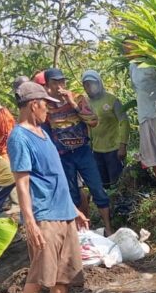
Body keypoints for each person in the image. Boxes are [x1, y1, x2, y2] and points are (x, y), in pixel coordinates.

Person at [7, 82, 89, 293]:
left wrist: (74, 209)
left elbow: (55, 176)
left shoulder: (44, 134)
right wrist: (30, 222)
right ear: (34, 105)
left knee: (64, 275)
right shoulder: (19, 137)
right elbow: (22, 183)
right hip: (45, 216)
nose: (49, 111)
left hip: (63, 212)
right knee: (40, 275)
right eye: (46, 106)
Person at [43, 67, 113, 235]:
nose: (60, 86)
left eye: (62, 81)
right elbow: (44, 131)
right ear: (47, 86)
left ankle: (109, 229)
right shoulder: (45, 106)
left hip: (83, 151)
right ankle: (77, 232)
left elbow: (93, 121)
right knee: (71, 193)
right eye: (55, 82)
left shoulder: (78, 99)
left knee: (97, 189)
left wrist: (73, 104)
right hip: (62, 156)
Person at [124, 36, 156, 191]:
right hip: (144, 115)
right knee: (151, 155)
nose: (125, 50)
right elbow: (136, 88)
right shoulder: (132, 66)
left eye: (128, 47)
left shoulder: (154, 62)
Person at [81, 69, 129, 189]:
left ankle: (119, 205)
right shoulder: (85, 103)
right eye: (86, 84)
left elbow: (124, 122)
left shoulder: (112, 100)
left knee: (117, 184)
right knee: (103, 184)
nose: (89, 87)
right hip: (96, 151)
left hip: (114, 150)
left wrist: (123, 145)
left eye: (92, 83)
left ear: (99, 83)